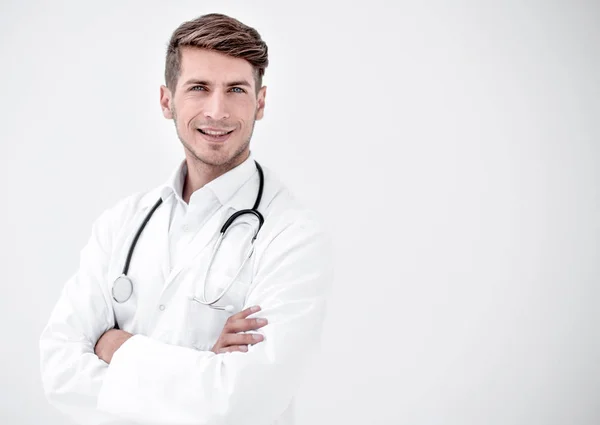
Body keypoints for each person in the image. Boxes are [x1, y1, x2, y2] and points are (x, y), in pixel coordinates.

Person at [39, 13, 333, 425]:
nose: (218, 111)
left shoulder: (291, 236)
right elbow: (59, 372)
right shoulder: (120, 224)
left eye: (236, 89)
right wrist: (204, 366)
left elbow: (247, 399)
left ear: (260, 102)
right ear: (166, 100)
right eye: (199, 88)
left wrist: (116, 346)